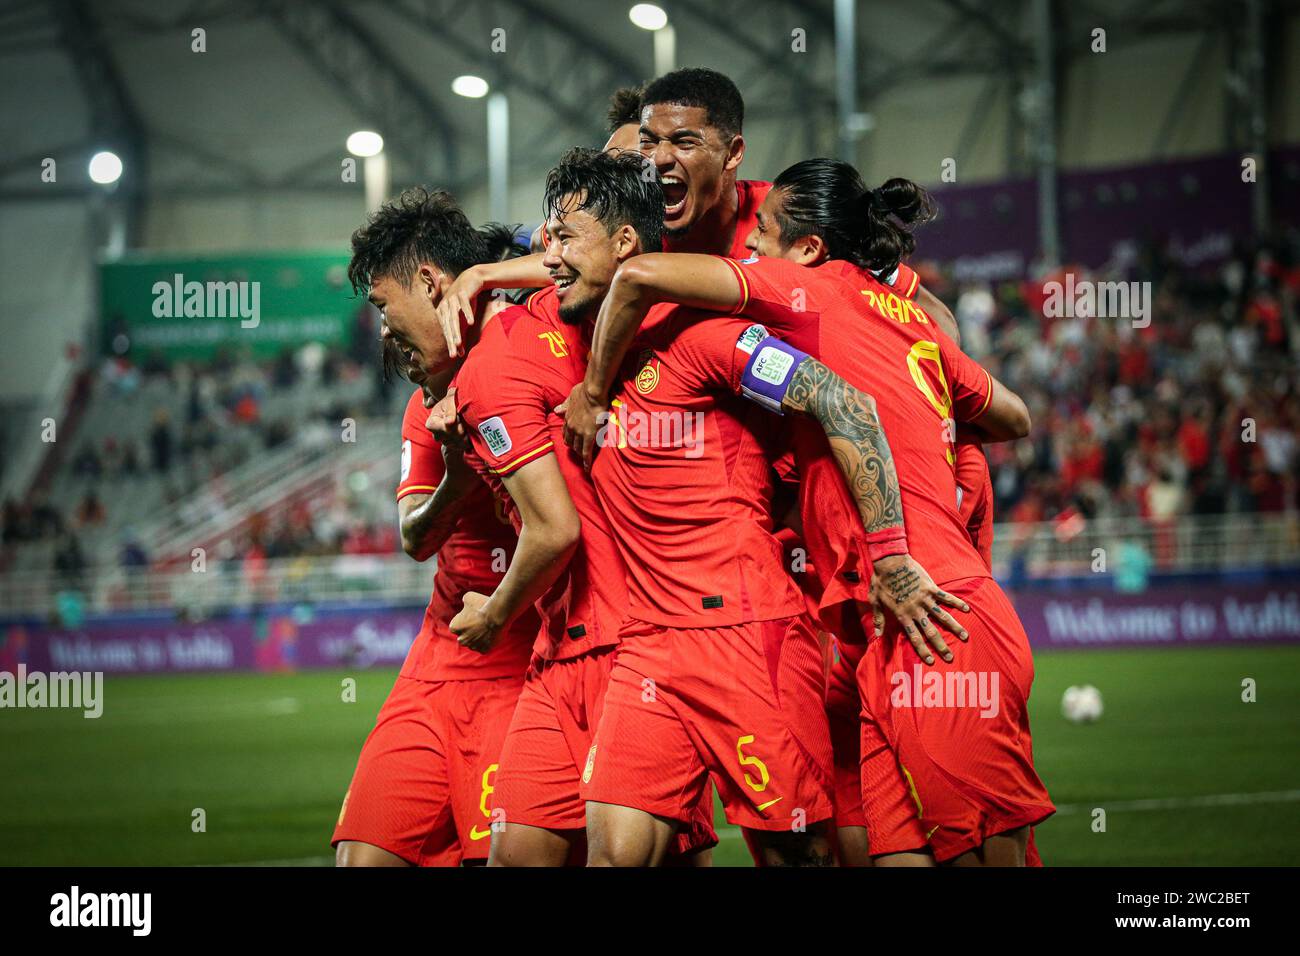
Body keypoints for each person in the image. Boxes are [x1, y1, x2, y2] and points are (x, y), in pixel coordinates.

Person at [568, 158, 1053, 866]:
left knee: (985, 857)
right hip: (882, 623)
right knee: (895, 858)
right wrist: (924, 419)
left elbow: (637, 277)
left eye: (760, 234)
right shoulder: (909, 319)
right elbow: (1012, 414)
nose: (749, 249)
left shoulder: (803, 291)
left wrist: (590, 391)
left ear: (808, 248)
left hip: (932, 606)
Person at [332, 189, 538, 867]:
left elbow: (604, 268)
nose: (384, 328)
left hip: (522, 659)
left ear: (430, 282)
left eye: (385, 306)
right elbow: (415, 537)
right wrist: (457, 470)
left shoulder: (533, 360)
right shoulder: (426, 406)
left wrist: (491, 274)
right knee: (363, 858)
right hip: (440, 655)